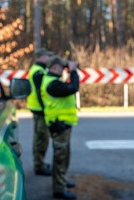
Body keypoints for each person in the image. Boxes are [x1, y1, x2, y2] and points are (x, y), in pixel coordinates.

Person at [40, 55, 79, 199]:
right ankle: (59, 188)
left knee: (63, 156)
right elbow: (73, 87)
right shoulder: (52, 84)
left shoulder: (53, 81)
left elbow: (68, 87)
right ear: (54, 67)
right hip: (59, 125)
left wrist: (71, 72)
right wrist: (73, 71)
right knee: (60, 158)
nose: (64, 70)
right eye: (62, 67)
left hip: (62, 124)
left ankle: (61, 181)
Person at [27, 48, 54, 176]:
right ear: (39, 57)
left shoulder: (38, 70)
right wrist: (45, 108)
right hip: (40, 110)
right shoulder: (38, 72)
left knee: (40, 137)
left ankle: (40, 163)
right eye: (46, 56)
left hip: (38, 109)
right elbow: (39, 93)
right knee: (41, 139)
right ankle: (39, 166)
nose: (48, 58)